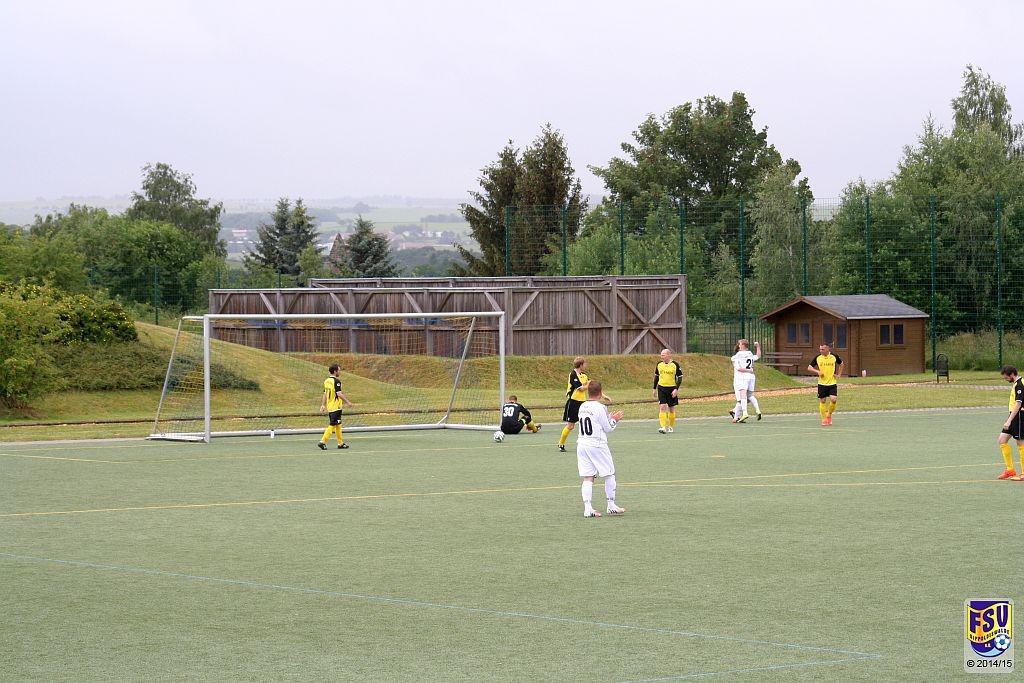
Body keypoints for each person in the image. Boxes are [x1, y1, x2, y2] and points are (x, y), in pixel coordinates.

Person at [576, 380, 626, 518]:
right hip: (597, 444)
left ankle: (588, 509)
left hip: (582, 444)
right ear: (600, 392)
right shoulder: (600, 407)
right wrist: (614, 419)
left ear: (588, 391)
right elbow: (608, 428)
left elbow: (595, 422)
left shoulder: (582, 406)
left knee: (588, 477)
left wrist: (608, 418)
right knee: (610, 474)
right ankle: (611, 505)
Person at [559, 357, 613, 452]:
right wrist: (589, 384)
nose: (586, 365)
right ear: (580, 365)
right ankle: (561, 444)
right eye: (585, 364)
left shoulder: (584, 375)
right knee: (570, 426)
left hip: (583, 403)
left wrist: (604, 396)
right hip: (573, 403)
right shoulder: (573, 374)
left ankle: (587, 442)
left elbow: (592, 387)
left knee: (586, 422)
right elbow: (581, 388)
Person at [996, 365, 1024, 480]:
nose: (1005, 379)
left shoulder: (1020, 384)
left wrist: (1009, 420)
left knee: (1020, 442)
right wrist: (1009, 418)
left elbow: (1018, 404)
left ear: (1012, 374)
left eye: (1006, 377)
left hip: (1020, 416)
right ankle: (1010, 470)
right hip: (1013, 416)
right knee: (1002, 440)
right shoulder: (1016, 384)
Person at [318, 363, 355, 449]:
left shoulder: (326, 381)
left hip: (330, 406)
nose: (340, 372)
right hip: (336, 407)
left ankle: (340, 443)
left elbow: (325, 394)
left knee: (338, 424)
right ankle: (322, 441)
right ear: (335, 371)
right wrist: (348, 402)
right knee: (332, 424)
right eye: (339, 370)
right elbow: (339, 394)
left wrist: (323, 405)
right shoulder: (336, 381)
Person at [807, 344, 843, 426]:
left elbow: (841, 364)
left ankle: (829, 415)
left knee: (833, 399)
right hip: (821, 383)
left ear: (827, 349)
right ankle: (824, 419)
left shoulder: (834, 356)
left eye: (822, 349)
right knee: (823, 401)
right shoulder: (818, 357)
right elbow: (809, 367)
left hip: (832, 383)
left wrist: (839, 374)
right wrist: (818, 372)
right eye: (820, 349)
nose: (821, 351)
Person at [729, 339, 762, 423]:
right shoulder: (750, 354)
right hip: (750, 377)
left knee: (741, 398)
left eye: (739, 344)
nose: (738, 345)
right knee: (749, 396)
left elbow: (738, 368)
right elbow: (758, 356)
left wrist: (748, 370)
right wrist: (758, 346)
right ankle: (736, 415)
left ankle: (743, 413)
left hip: (740, 378)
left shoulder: (737, 356)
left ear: (742, 345)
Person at [652, 348, 682, 433]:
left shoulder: (675, 364)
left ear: (669, 355)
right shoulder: (659, 364)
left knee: (671, 408)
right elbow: (656, 376)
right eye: (661, 355)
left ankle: (671, 427)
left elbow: (680, 378)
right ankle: (663, 427)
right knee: (662, 407)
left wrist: (676, 389)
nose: (661, 357)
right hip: (661, 388)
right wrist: (654, 388)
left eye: (663, 355)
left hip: (672, 388)